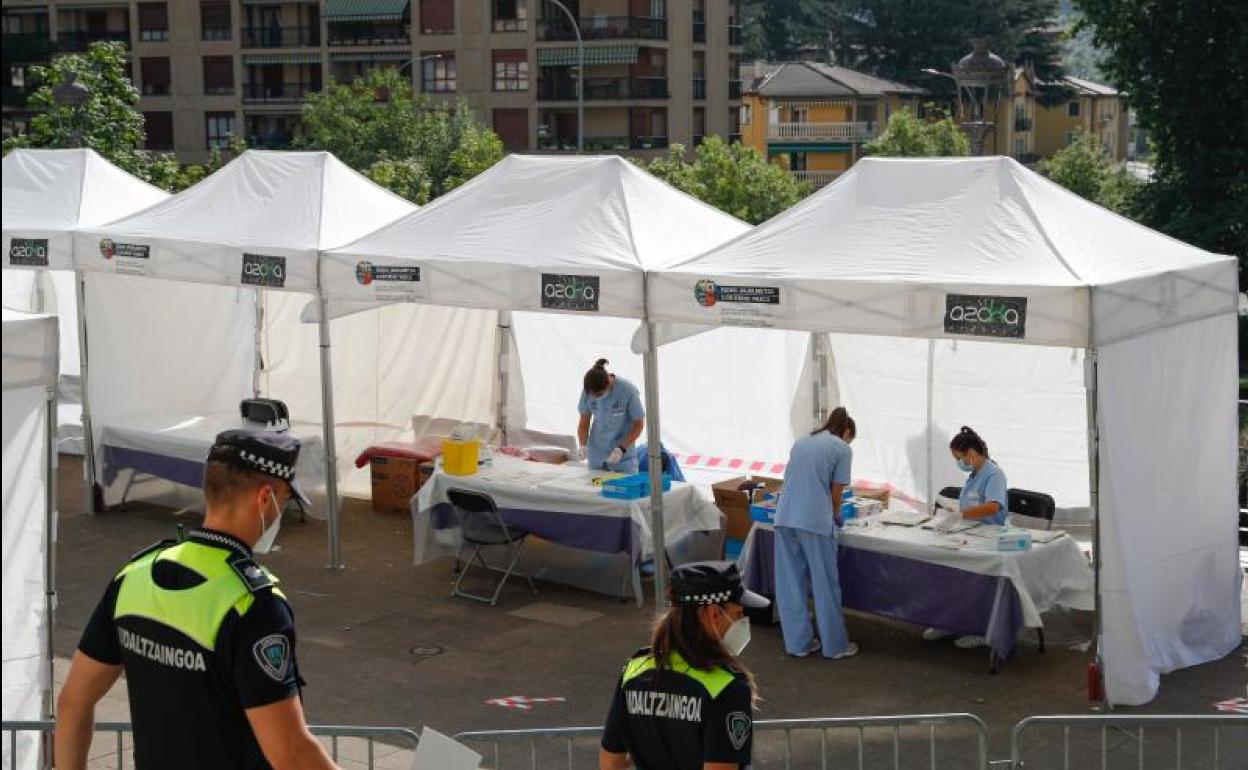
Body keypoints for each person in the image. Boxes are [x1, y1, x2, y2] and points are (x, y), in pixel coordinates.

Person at [55, 430, 340, 770]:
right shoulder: (254, 605)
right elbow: (291, 753)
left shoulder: (134, 576)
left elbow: (73, 703)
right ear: (265, 498)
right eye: (284, 499)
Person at [600, 562, 769, 770]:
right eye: (738, 613)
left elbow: (610, 763)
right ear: (713, 613)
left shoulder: (636, 670)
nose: (743, 621)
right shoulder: (727, 687)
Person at [772, 407, 859, 660]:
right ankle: (835, 646)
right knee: (825, 585)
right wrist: (835, 514)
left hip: (785, 517)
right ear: (847, 432)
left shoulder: (802, 442)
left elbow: (791, 480)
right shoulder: (842, 448)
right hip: (814, 521)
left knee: (790, 585)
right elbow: (836, 493)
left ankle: (798, 644)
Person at [923, 426, 1011, 649]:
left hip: (989, 536)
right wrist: (955, 512)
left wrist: (961, 514)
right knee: (949, 572)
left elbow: (993, 506)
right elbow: (970, 503)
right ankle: (949, 621)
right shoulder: (974, 475)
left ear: (971, 453)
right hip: (970, 533)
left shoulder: (994, 474)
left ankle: (982, 630)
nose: (958, 463)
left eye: (959, 458)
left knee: (978, 580)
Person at [578, 358, 645, 473]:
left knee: (624, 488)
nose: (595, 398)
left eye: (599, 394)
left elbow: (638, 425)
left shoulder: (628, 391)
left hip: (623, 457)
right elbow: (584, 422)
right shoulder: (589, 390)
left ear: (608, 383)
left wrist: (621, 449)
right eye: (592, 395)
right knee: (593, 489)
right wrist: (583, 445)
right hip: (596, 454)